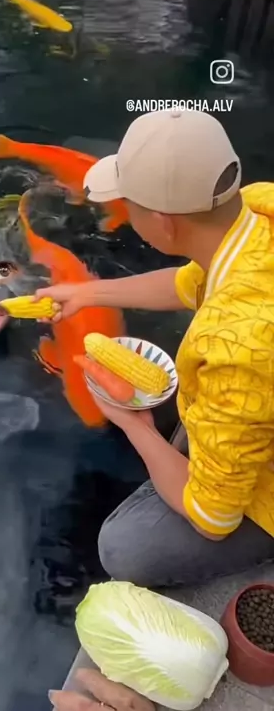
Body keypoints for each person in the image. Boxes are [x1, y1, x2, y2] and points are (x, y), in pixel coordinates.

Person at [36, 108, 274, 594]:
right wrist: (85, 293)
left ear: (163, 224)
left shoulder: (233, 346)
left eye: (130, 206)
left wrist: (133, 424)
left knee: (126, 546)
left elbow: (214, 518)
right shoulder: (258, 207)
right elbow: (188, 283)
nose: (126, 216)